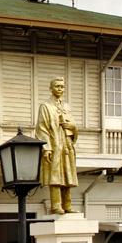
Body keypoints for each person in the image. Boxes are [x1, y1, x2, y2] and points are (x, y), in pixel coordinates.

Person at [36, 77, 79, 214]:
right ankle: (56, 205)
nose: (60, 89)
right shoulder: (46, 106)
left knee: (67, 175)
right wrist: (46, 147)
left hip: (67, 144)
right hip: (55, 144)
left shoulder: (66, 107)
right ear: (51, 88)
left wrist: (73, 127)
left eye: (62, 86)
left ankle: (68, 205)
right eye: (57, 86)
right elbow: (41, 128)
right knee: (56, 175)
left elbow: (73, 126)